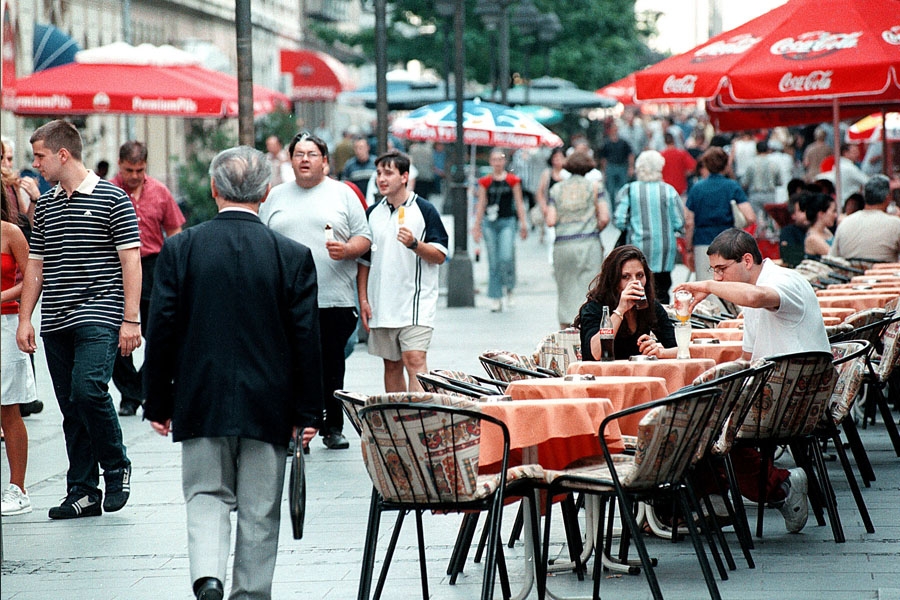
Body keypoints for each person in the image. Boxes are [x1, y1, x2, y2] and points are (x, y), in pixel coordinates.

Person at [143, 146, 323, 600]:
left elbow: (160, 329)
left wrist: (158, 402)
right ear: (265, 192)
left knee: (205, 494)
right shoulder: (293, 255)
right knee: (260, 508)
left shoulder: (181, 248)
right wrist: (308, 412)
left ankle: (208, 576)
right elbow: (307, 340)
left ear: (213, 189)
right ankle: (249, 592)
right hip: (271, 403)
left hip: (200, 396)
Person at [17, 119, 140, 519]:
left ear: (62, 154)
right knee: (72, 406)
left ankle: (116, 465)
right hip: (56, 319)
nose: (35, 164)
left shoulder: (113, 199)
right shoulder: (48, 206)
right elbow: (35, 266)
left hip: (99, 313)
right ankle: (83, 490)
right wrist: (25, 319)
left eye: (40, 156)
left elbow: (131, 262)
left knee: (88, 390)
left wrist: (131, 320)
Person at [673, 228, 830, 532]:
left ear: (747, 260)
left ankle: (765, 488)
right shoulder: (752, 298)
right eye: (713, 271)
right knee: (694, 411)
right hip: (775, 396)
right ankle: (721, 496)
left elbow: (760, 298)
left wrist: (707, 285)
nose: (718, 278)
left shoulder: (781, 281)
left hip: (793, 402)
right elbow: (747, 359)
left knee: (697, 419)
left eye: (721, 270)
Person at [259, 131, 371, 451]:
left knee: (331, 364)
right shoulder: (276, 196)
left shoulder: (343, 194)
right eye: (298, 154)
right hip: (286, 299)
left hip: (332, 295)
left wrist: (347, 249)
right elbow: (262, 239)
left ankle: (331, 426)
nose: (304, 159)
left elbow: (365, 240)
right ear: (290, 160)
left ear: (324, 161)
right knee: (290, 364)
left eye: (312, 154)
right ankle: (298, 429)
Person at [358, 150, 448, 392]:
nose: (382, 179)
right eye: (378, 173)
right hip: (382, 303)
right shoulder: (373, 213)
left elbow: (440, 255)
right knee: (391, 366)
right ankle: (397, 422)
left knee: (415, 360)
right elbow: (364, 261)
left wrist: (415, 244)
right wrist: (363, 299)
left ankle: (418, 420)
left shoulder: (424, 209)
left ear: (404, 176)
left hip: (416, 302)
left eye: (388, 173)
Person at [110, 140, 185, 416]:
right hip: (117, 266)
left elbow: (175, 231)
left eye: (140, 170)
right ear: (120, 165)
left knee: (159, 330)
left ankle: (141, 386)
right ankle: (129, 394)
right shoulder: (108, 191)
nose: (134, 176)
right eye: (129, 170)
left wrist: (177, 268)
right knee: (118, 333)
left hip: (153, 264)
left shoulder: (160, 192)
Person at [1, 192, 38, 516]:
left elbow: (33, 277)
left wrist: (0, 296)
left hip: (5, 322)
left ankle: (18, 487)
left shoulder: (10, 232)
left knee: (8, 407)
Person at [574, 245, 676, 361]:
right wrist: (620, 311)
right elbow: (596, 354)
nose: (635, 282)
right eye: (626, 277)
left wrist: (660, 352)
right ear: (614, 280)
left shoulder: (650, 307)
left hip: (638, 375)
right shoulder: (594, 307)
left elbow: (680, 349)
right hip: (602, 375)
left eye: (640, 275)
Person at [546, 151, 609, 328]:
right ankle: (588, 329)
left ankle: (566, 331)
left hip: (563, 246)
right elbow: (604, 217)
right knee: (590, 290)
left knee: (565, 292)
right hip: (589, 244)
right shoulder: (595, 187)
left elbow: (550, 220)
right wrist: (594, 229)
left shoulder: (556, 189)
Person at [614, 150, 685, 304]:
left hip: (638, 248)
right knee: (662, 289)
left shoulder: (629, 190)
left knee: (639, 291)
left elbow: (619, 220)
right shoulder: (668, 190)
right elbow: (679, 222)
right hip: (664, 250)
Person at [685, 147, 756, 282]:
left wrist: (689, 249)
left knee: (706, 287)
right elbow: (751, 216)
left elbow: (689, 222)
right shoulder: (732, 186)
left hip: (702, 241)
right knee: (728, 285)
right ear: (725, 164)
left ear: (706, 164)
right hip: (728, 241)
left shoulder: (697, 188)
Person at [473, 148, 529, 312]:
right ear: (491, 162)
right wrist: (476, 226)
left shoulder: (513, 180)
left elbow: (519, 202)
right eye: (494, 159)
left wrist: (523, 224)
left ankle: (510, 287)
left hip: (507, 221)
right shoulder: (485, 181)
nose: (497, 163)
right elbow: (481, 203)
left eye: (500, 159)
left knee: (506, 256)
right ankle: (496, 296)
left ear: (504, 161)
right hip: (489, 223)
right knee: (493, 260)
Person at [831, 175, 900, 263]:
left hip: (848, 275)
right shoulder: (895, 224)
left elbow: (833, 257)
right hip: (882, 274)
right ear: (888, 197)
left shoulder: (845, 223)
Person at [534, 147, 568, 243]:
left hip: (565, 211)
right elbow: (540, 191)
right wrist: (544, 206)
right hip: (550, 209)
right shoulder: (547, 173)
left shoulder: (568, 174)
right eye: (555, 158)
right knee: (552, 238)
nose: (558, 161)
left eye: (561, 158)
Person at [598, 122, 634, 201]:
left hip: (622, 166)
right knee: (611, 190)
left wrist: (631, 167)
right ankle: (614, 208)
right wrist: (604, 171)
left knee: (623, 189)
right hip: (611, 167)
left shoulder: (623, 142)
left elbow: (630, 155)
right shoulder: (606, 143)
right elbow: (603, 159)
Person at [659, 132, 696, 197]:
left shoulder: (661, 155)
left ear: (664, 142)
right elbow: (693, 166)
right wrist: (685, 173)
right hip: (680, 188)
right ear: (674, 141)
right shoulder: (682, 153)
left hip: (666, 188)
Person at [802, 193, 837, 257]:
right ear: (821, 214)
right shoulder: (812, 238)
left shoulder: (826, 231)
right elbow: (835, 256)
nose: (835, 215)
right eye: (833, 211)